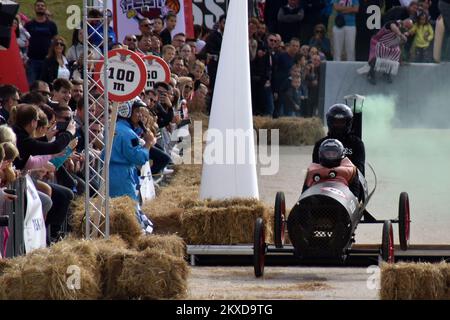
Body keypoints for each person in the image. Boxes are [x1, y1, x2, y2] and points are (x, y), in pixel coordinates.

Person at [313, 104, 365, 175]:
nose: (338, 125)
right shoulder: (320, 144)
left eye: (342, 122)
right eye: (336, 122)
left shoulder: (356, 143)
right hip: (325, 180)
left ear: (348, 123)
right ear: (330, 122)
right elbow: (315, 168)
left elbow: (360, 171)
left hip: (350, 182)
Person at [366, 18, 413, 85]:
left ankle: (386, 73)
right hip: (378, 42)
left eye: (408, 28)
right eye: (406, 26)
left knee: (395, 54)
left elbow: (399, 47)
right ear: (403, 22)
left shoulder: (403, 33)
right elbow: (393, 27)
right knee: (376, 57)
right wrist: (400, 35)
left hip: (390, 46)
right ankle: (371, 74)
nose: (406, 28)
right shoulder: (393, 23)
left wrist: (400, 60)